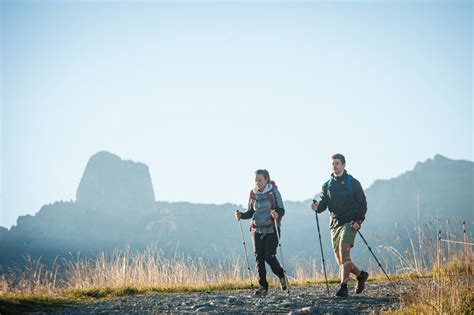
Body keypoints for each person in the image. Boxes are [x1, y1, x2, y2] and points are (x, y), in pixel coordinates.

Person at [311, 153, 369, 297]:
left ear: (343, 165)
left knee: (344, 253)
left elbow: (363, 204)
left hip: (349, 223)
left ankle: (343, 287)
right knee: (340, 261)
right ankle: (361, 275)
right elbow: (323, 205)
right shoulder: (327, 185)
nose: (335, 166)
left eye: (337, 163)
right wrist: (317, 207)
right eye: (333, 164)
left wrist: (358, 221)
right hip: (334, 225)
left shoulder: (353, 183)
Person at [235, 169, 288, 296]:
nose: (257, 182)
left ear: (266, 179)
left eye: (260, 180)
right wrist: (241, 215)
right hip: (256, 229)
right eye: (255, 180)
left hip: (272, 228)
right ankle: (263, 286)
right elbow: (250, 212)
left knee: (269, 256)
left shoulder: (273, 192)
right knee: (259, 257)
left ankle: (281, 274)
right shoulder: (252, 194)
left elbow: (281, 209)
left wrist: (277, 214)